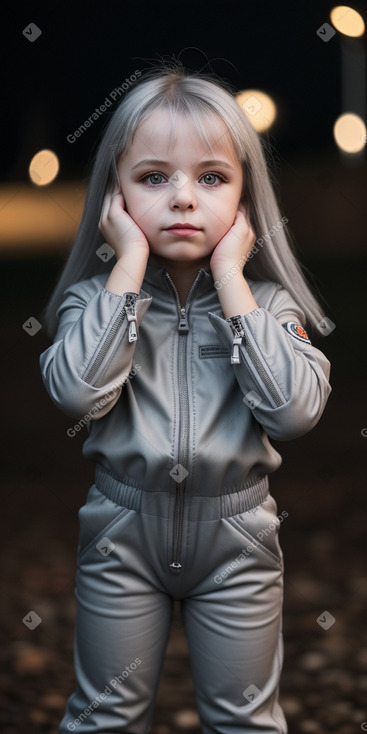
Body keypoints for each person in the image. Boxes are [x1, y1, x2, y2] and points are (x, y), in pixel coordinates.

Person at [40, 60, 332, 734]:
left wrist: (231, 281)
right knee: (103, 715)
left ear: (244, 196)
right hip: (121, 532)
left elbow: (291, 414)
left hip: (237, 539)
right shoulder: (97, 299)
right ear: (113, 196)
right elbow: (75, 395)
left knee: (246, 719)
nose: (181, 199)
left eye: (210, 178)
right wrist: (128, 270)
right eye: (152, 178)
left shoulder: (267, 305)